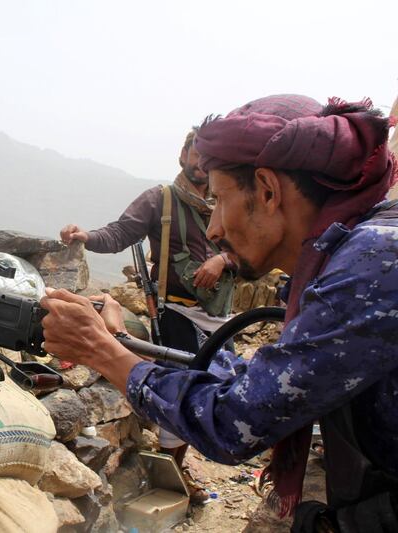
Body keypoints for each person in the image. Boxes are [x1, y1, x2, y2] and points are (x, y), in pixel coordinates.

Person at [42, 94, 398, 532]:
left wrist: (101, 352)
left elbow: (235, 423)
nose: (213, 229)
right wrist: (124, 343)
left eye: (220, 199)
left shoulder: (375, 263)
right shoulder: (349, 255)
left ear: (268, 191)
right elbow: (263, 382)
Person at [59, 128, 236, 497]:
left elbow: (248, 251)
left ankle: (191, 459)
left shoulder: (226, 198)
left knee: (222, 386)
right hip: (177, 312)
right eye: (194, 152)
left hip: (220, 314)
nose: (200, 162)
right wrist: (85, 236)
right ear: (183, 155)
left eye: (207, 155)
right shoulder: (161, 199)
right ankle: (173, 473)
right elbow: (120, 233)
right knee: (183, 387)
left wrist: (222, 259)